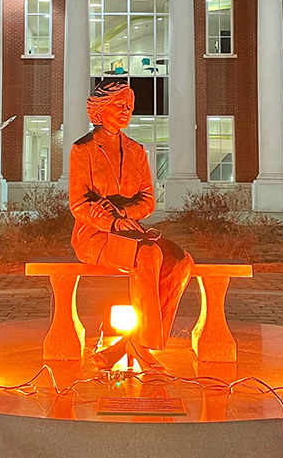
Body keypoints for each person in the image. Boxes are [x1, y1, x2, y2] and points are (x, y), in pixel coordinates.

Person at [69, 80, 194, 370]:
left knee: (181, 262)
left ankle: (133, 345)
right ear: (99, 110)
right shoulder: (83, 149)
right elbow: (79, 204)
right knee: (148, 255)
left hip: (132, 233)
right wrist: (113, 222)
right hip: (94, 235)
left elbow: (148, 200)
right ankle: (144, 348)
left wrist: (124, 216)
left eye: (130, 106)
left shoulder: (137, 150)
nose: (127, 111)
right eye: (119, 105)